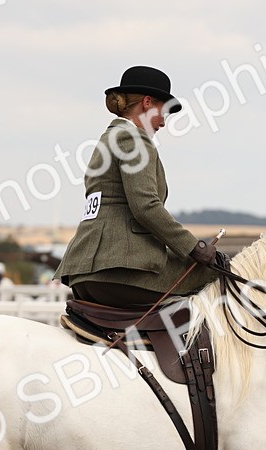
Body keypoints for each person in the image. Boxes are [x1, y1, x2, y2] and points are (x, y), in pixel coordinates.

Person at [54, 66, 218, 308]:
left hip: (85, 271)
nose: (163, 122)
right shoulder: (133, 139)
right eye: (163, 112)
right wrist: (193, 247)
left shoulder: (107, 138)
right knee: (215, 275)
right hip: (120, 271)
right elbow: (145, 206)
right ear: (147, 102)